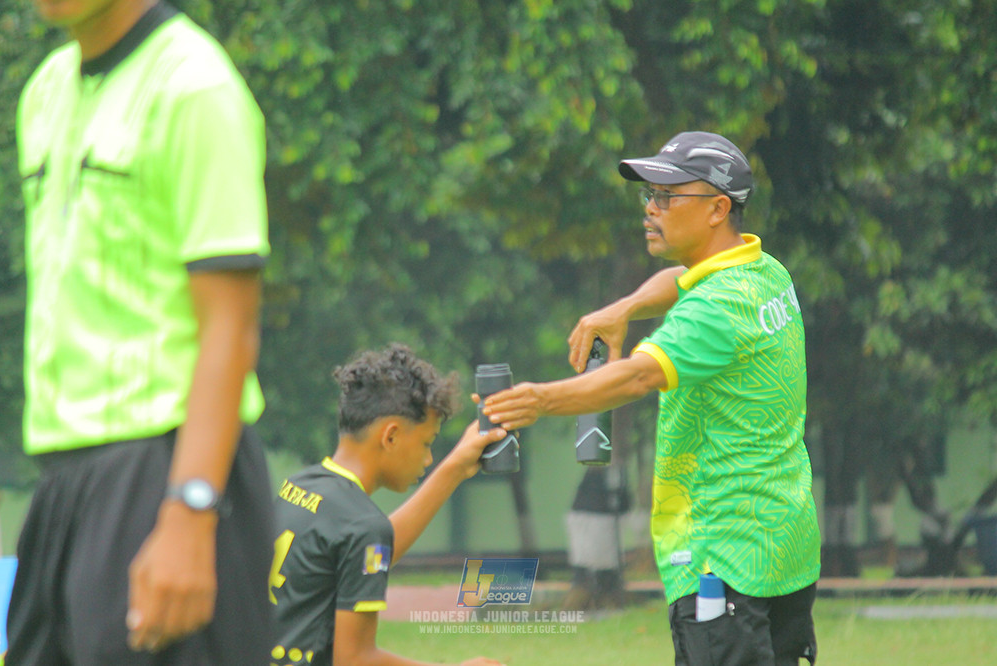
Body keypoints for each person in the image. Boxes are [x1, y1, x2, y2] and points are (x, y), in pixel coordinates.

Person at [484, 132, 821, 665]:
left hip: (723, 559)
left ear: (716, 208)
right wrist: (623, 309)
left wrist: (538, 399)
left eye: (667, 197)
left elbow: (636, 377)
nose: (651, 208)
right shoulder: (763, 272)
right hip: (784, 545)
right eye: (648, 195)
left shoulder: (713, 311)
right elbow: (680, 281)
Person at [8, 1, 273, 663]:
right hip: (63, 481)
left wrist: (190, 509)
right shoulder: (43, 91)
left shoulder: (194, 88)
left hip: (167, 472)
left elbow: (231, 328)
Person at [269, 344, 505, 666]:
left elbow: (359, 552)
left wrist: (454, 469)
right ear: (390, 437)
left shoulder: (299, 486)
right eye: (426, 442)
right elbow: (354, 660)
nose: (428, 458)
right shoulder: (363, 527)